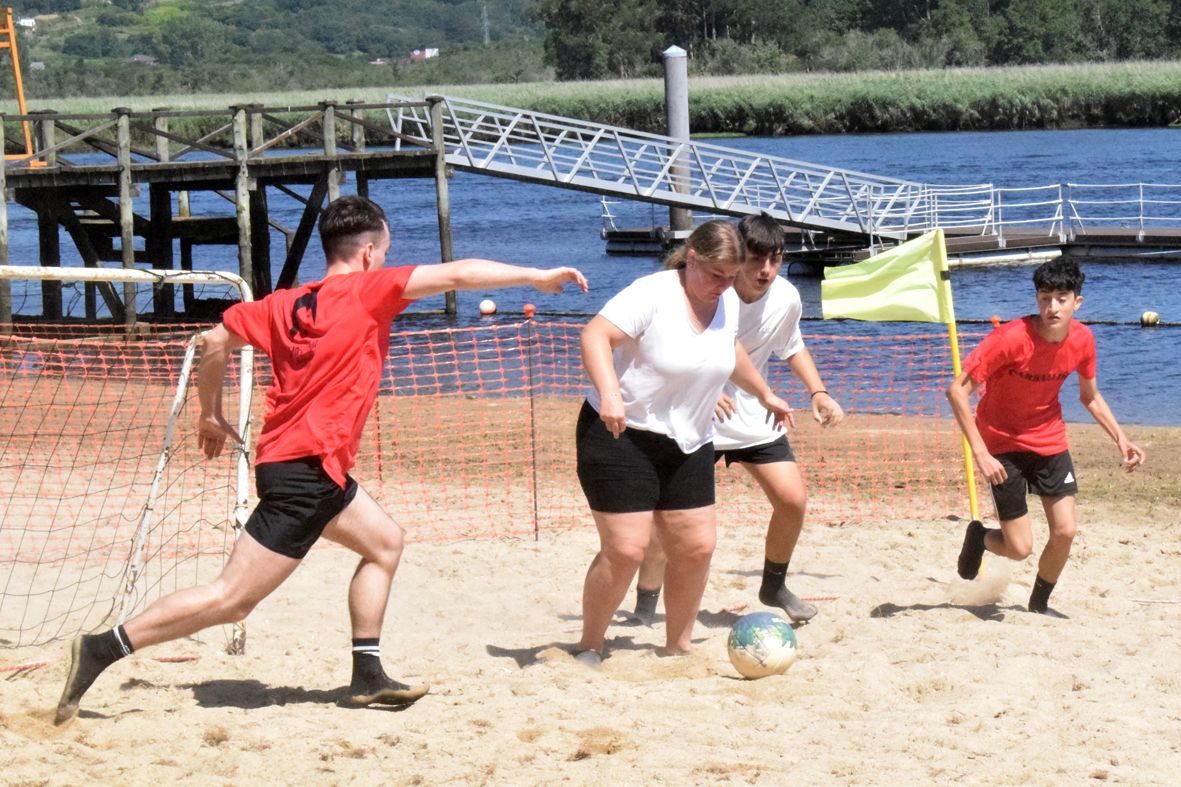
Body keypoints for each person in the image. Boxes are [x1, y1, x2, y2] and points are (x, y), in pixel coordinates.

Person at [55, 195, 588, 725]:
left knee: (384, 542)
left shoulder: (283, 303)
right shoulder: (367, 291)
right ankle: (103, 647)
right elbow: (461, 274)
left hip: (310, 467)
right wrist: (537, 276)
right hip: (303, 471)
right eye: (386, 251)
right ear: (370, 252)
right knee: (232, 600)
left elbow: (214, 342)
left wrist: (209, 414)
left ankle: (367, 675)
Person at [576, 219, 794, 664]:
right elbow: (595, 335)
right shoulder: (652, 293)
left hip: (690, 440)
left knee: (696, 548)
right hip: (621, 433)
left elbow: (728, 349)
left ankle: (678, 646)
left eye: (731, 277)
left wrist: (764, 392)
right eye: (716, 275)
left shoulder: (725, 299)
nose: (724, 285)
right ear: (691, 257)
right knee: (627, 550)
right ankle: (590, 645)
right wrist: (612, 394)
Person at [631, 215, 843, 626]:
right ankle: (644, 602)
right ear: (737, 256)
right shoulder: (707, 290)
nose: (765, 270)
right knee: (666, 524)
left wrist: (818, 392)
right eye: (758, 259)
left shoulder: (785, 297)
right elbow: (670, 346)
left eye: (775, 259)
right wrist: (705, 388)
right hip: (692, 416)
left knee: (792, 499)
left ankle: (774, 584)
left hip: (752, 417)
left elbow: (792, 345)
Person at [946, 257, 1145, 615]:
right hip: (1001, 444)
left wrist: (1121, 438)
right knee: (1019, 548)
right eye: (1044, 297)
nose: (1052, 306)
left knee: (1066, 531)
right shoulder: (1009, 339)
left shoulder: (1083, 340)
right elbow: (957, 391)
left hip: (1049, 439)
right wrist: (982, 454)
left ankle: (1039, 604)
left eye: (1061, 298)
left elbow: (1090, 396)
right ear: (1036, 300)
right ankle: (980, 537)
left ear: (1077, 302)